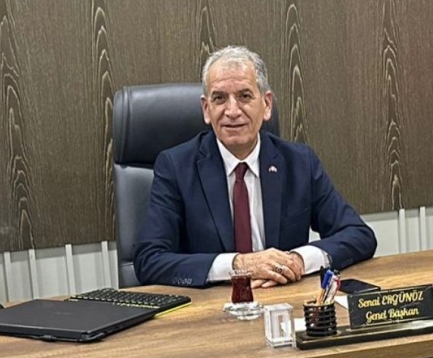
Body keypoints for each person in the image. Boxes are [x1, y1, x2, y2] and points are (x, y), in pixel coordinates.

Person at [134, 46, 376, 288]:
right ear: (206, 109)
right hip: (215, 304)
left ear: (266, 104)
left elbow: (359, 235)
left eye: (244, 96)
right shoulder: (176, 167)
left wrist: (298, 260)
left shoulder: (299, 162)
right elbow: (149, 260)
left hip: (283, 298)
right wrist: (238, 265)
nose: (232, 111)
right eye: (219, 98)